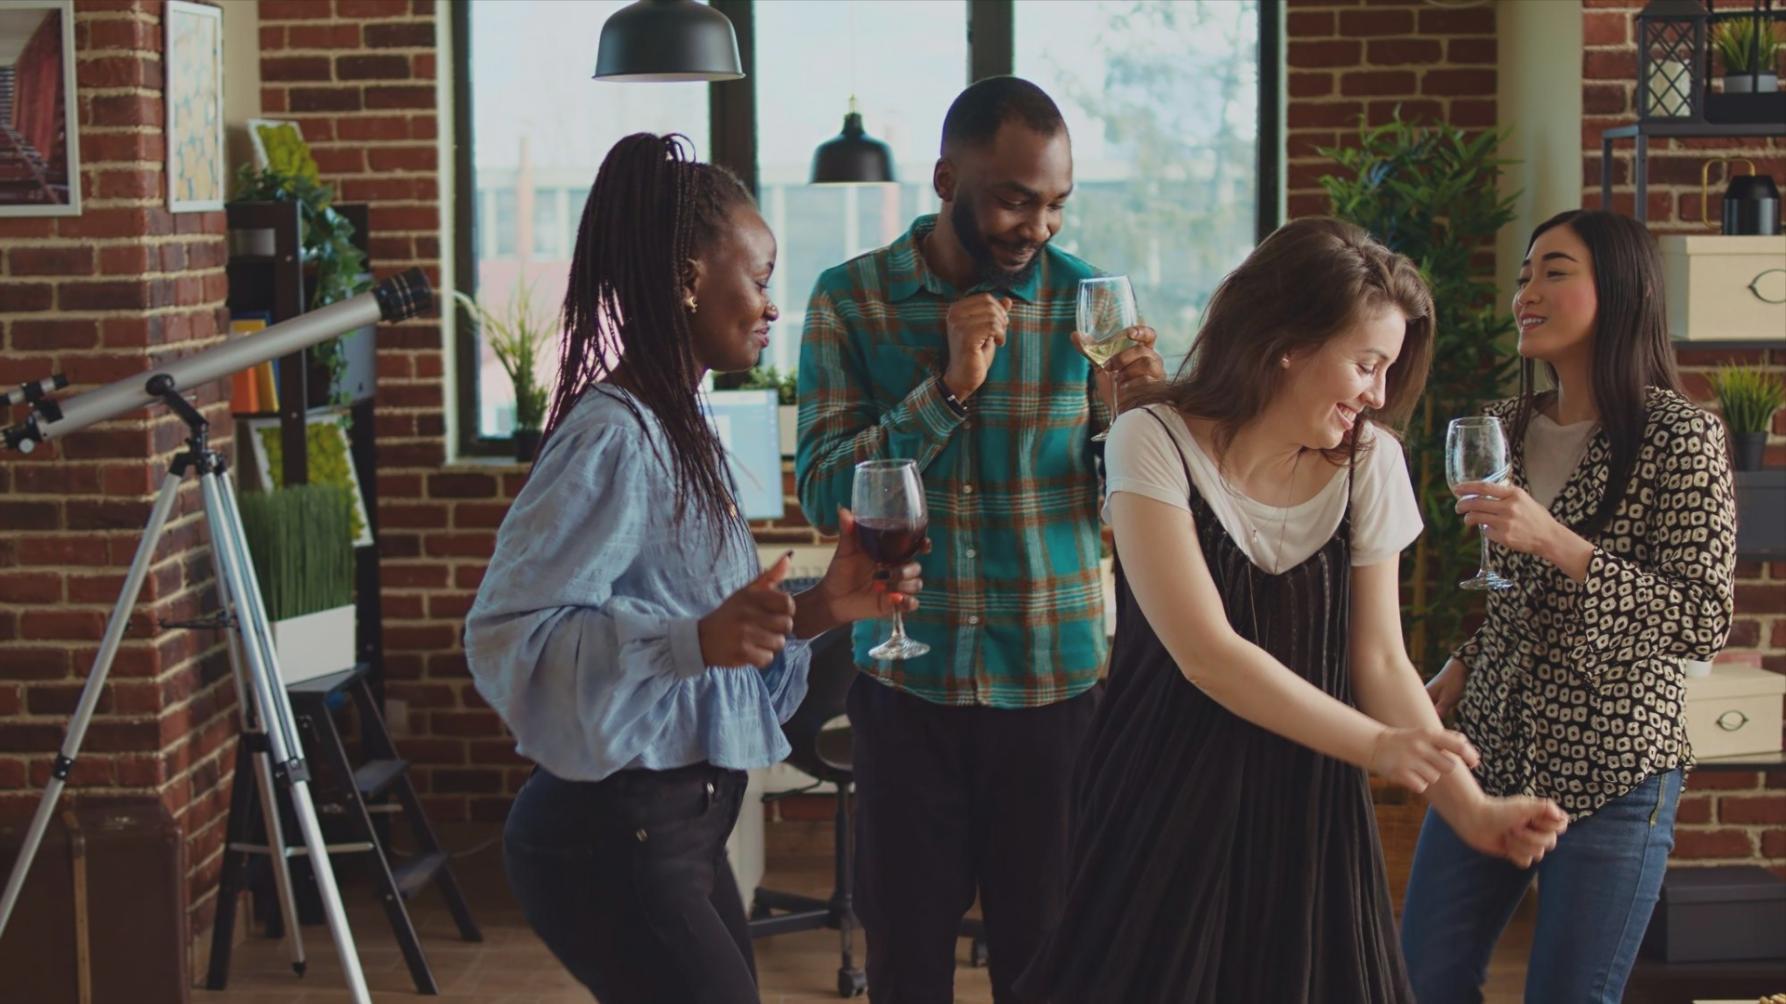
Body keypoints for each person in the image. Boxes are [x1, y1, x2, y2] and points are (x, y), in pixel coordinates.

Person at [1013, 217, 1569, 1003]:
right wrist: (1377, 745)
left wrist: (1471, 810)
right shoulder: (1152, 439)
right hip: (1160, 793)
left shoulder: (1370, 463)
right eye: (1367, 364)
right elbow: (1206, 653)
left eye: (1389, 370)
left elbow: (1378, 660)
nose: (1378, 394)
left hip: (1311, 804)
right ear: (1287, 343)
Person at [464, 133, 923, 1004]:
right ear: (686, 280)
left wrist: (826, 606)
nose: (771, 306)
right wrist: (690, 638)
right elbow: (508, 636)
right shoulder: (614, 436)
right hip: (609, 834)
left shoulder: (682, 424)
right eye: (758, 278)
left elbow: (716, 651)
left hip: (685, 825)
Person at [794, 77, 1165, 1002]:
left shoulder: (1089, 303)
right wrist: (948, 390)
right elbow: (823, 495)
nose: (1036, 226)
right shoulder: (853, 301)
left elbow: (1130, 507)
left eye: (1054, 205)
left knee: (1048, 963)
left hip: (1056, 684)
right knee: (906, 964)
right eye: (1012, 198)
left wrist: (1144, 426)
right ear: (944, 177)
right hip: (906, 681)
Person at [1401, 209, 1738, 1004]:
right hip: (1491, 752)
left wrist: (1560, 542)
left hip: (1617, 768)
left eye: (1554, 272)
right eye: (1523, 276)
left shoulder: (1680, 437)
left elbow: (1702, 618)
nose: (1527, 292)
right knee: (1418, 979)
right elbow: (1520, 603)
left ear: (1619, 292)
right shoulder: (1508, 426)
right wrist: (1466, 660)